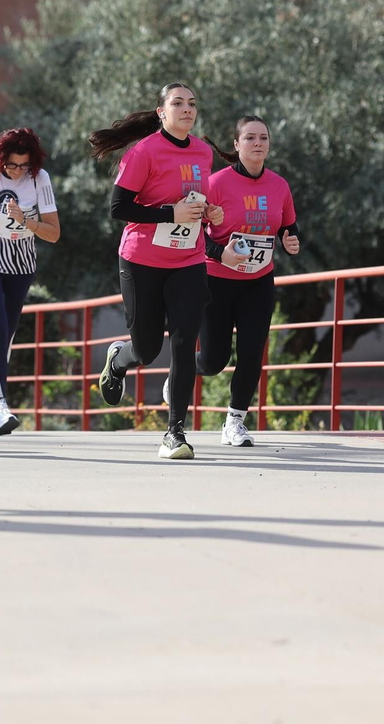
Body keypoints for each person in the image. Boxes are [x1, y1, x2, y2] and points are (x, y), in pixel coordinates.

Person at [89, 83, 221, 460]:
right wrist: (170, 214)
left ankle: (175, 432)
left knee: (183, 343)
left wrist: (210, 212)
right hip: (142, 260)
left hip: (189, 260)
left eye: (192, 103)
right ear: (161, 112)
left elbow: (195, 199)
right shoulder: (143, 152)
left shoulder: (203, 152)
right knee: (147, 348)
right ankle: (119, 359)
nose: (187, 109)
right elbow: (118, 208)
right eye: (177, 103)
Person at [197, 117, 301, 448]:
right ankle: (182, 370)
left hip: (258, 280)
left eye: (263, 138)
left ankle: (235, 421)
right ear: (237, 145)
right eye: (250, 138)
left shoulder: (279, 186)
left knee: (252, 352)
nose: (258, 143)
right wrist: (219, 252)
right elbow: (195, 232)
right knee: (213, 361)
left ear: (269, 145)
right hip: (217, 280)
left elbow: (289, 226)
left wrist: (291, 240)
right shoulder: (215, 183)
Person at [0, 127, 60, 435]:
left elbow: (53, 233)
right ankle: (1, 402)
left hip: (20, 263)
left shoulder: (39, 179)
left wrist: (25, 220)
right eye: (11, 165)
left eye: (24, 165)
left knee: (6, 335)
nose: (18, 171)